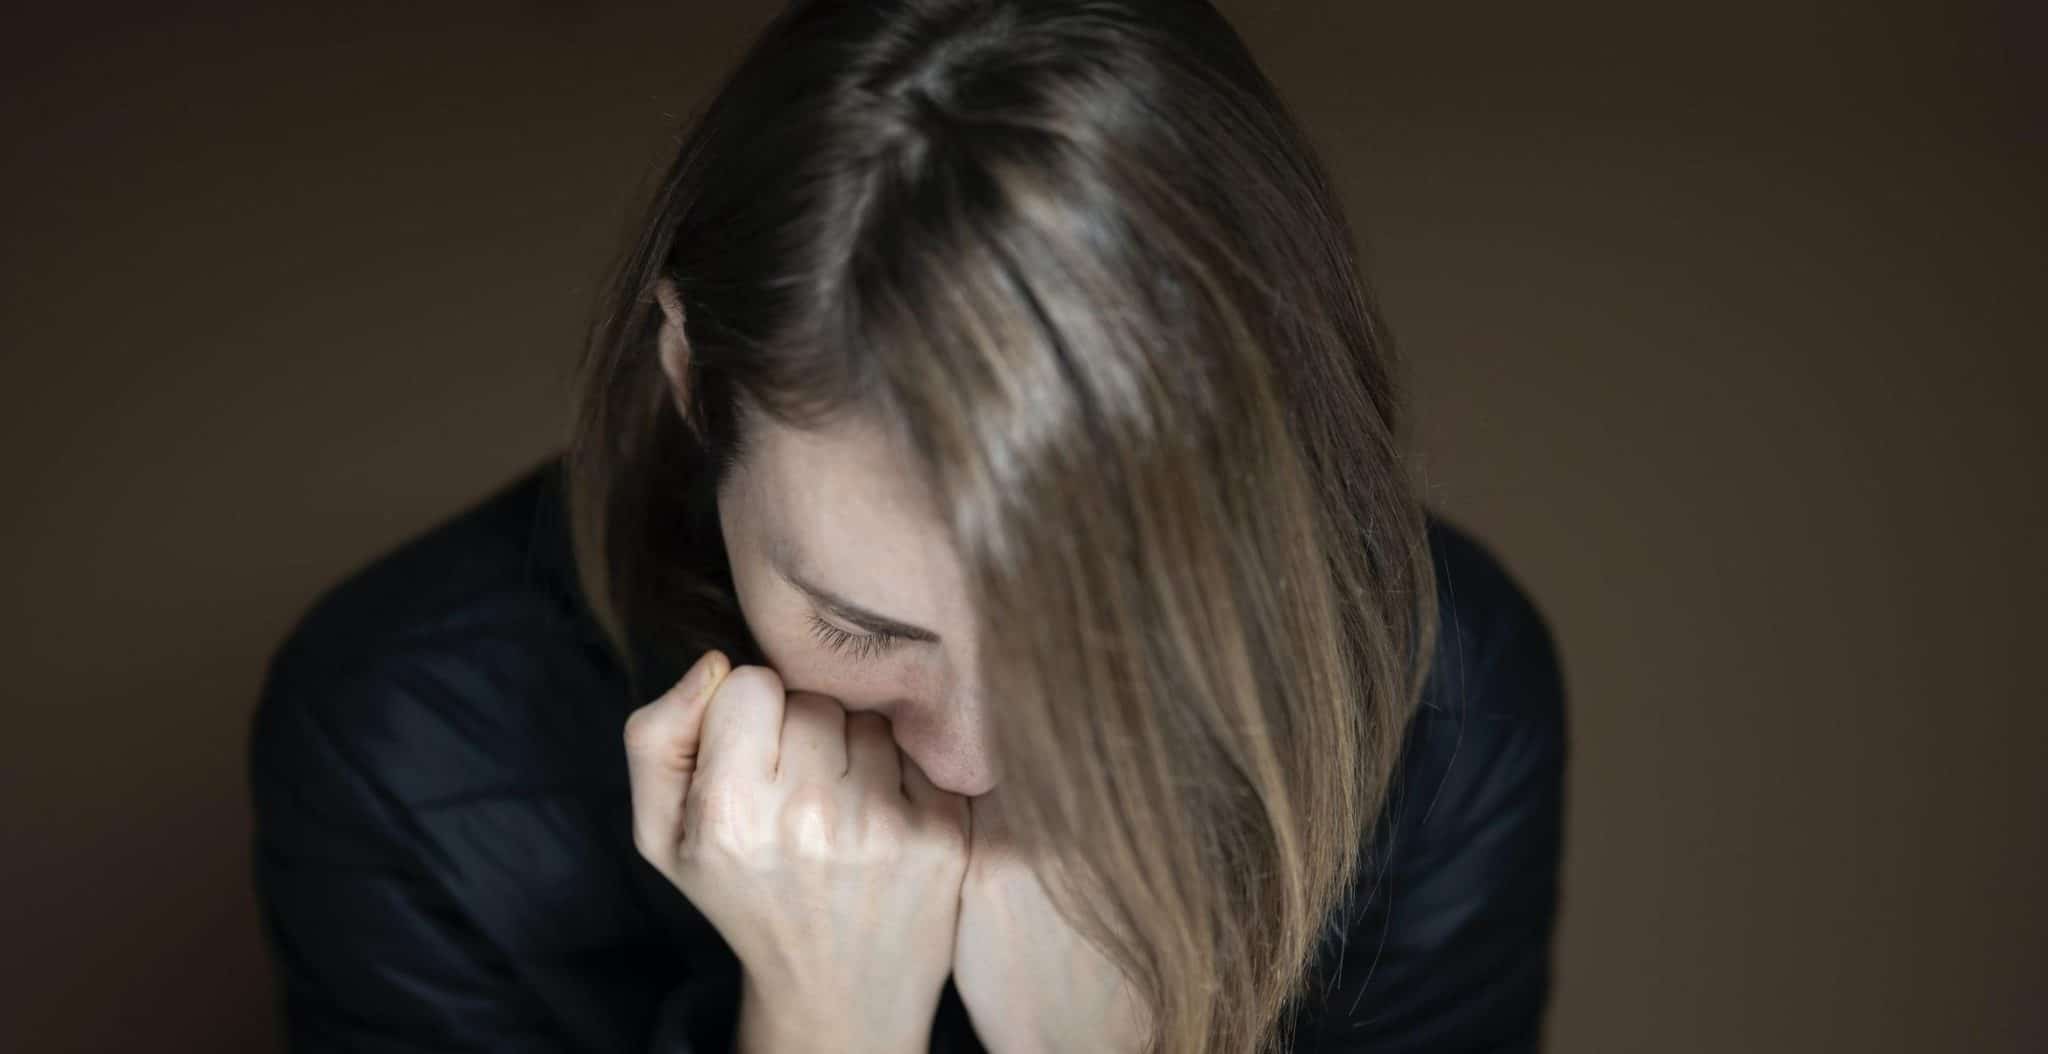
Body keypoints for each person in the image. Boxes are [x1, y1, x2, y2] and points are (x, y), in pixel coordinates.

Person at [246, 1, 1567, 1051]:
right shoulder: (406, 740)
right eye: (860, 626)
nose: (975, 760)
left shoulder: (1436, 702)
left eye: (1091, 636)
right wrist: (827, 1020)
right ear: (693, 382)